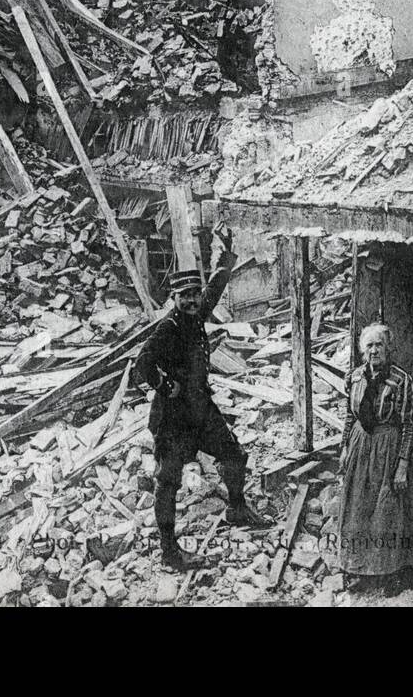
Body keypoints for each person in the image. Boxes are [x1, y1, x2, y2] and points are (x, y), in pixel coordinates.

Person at [133, 225, 269, 571]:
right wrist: (165, 387)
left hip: (200, 411)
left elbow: (217, 285)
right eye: (185, 296)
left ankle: (236, 508)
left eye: (196, 294)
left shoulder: (195, 316)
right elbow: (142, 364)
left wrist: (226, 253)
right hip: (173, 420)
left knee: (235, 455)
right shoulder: (168, 328)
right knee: (168, 483)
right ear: (174, 299)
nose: (193, 300)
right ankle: (169, 551)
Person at [338, 322, 413, 591]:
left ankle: (391, 574)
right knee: (359, 507)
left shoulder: (402, 381)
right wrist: (345, 448)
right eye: (369, 345)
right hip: (359, 447)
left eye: (379, 345)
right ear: (362, 351)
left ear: (388, 349)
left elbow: (411, 425)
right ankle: (360, 571)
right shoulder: (354, 377)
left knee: (388, 511)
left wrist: (403, 465)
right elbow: (349, 415)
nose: (374, 350)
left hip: (389, 449)